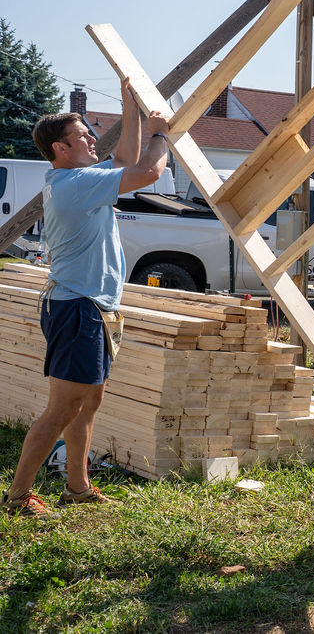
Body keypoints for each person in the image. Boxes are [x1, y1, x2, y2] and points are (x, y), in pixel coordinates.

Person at [2, 79, 170, 517]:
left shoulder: (76, 178)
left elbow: (124, 159)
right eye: (82, 135)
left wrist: (130, 108)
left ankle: (77, 487)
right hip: (78, 307)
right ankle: (18, 497)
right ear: (60, 148)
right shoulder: (76, 183)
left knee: (87, 402)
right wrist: (160, 134)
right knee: (63, 408)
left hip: (91, 306)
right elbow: (148, 171)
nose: (92, 139)